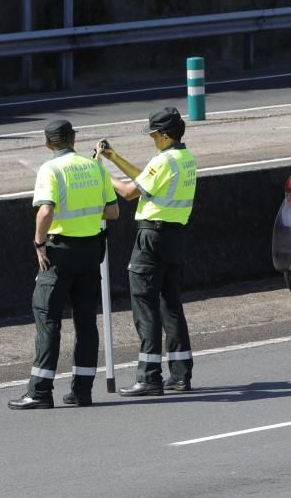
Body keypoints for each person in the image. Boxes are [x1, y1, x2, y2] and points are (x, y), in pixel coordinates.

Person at [8, 120, 119, 410]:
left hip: (59, 253)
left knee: (48, 320)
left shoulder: (51, 169)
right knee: (86, 322)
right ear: (73, 139)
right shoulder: (95, 167)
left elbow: (45, 211)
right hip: (91, 252)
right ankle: (82, 391)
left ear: (48, 144)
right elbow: (113, 210)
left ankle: (40, 392)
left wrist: (38, 243)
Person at [97, 107, 197, 396]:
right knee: (171, 305)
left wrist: (101, 174)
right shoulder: (185, 158)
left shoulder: (164, 160)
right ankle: (180, 375)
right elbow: (145, 182)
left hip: (151, 236)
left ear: (165, 135)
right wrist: (114, 158)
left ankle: (149, 376)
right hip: (175, 236)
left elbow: (129, 193)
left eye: (154, 135)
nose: (152, 139)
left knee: (145, 306)